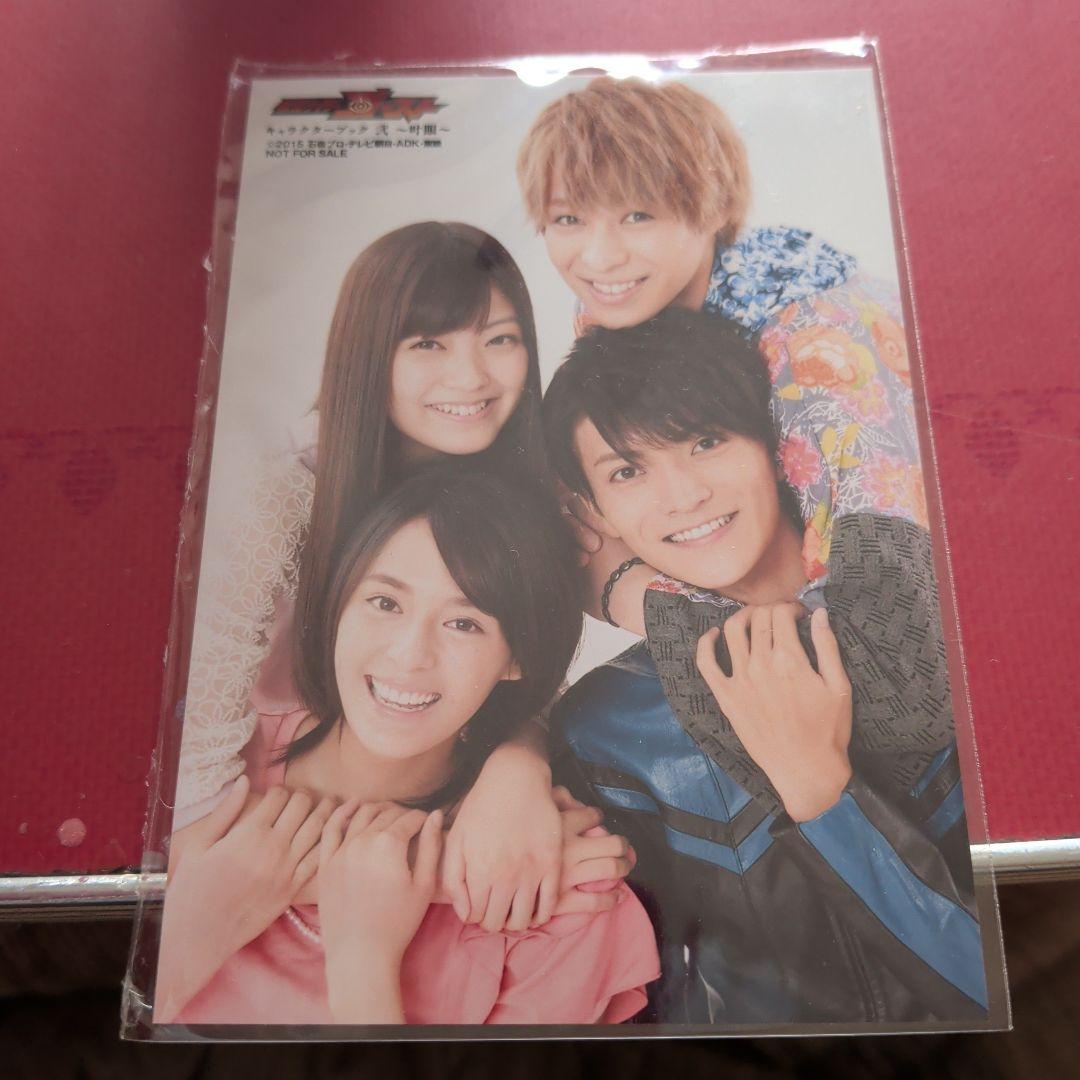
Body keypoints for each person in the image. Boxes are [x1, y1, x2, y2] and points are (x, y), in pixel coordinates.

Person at [541, 310, 988, 1024]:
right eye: (628, 471)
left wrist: (820, 791)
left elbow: (1011, 988)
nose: (683, 495)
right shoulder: (607, 731)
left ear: (775, 446)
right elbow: (652, 1018)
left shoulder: (949, 628)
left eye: (706, 441)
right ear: (596, 512)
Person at [176, 222, 607, 930]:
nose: (471, 377)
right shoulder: (274, 503)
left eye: (499, 339)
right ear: (369, 356)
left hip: (415, 807)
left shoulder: (530, 505)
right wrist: (445, 874)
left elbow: (520, 678)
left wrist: (519, 767)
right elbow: (192, 814)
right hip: (273, 836)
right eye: (428, 343)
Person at [157, 467, 660, 1026]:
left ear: (518, 657)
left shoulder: (559, 883)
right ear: (338, 605)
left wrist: (363, 962)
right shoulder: (208, 771)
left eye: (464, 624)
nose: (409, 655)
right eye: (385, 603)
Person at [517, 76, 925, 629]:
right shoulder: (618, 307)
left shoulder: (818, 343)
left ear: (711, 206)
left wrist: (646, 604)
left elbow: (887, 600)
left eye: (637, 215)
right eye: (569, 219)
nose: (599, 258)